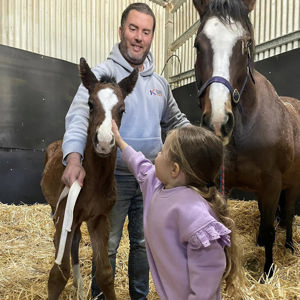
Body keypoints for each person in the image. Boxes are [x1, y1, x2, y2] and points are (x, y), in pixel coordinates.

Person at [61, 2, 190, 299]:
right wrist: (74, 158)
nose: (138, 37)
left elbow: (177, 121)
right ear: (121, 31)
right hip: (113, 176)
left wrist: (205, 139)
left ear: (152, 37)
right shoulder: (102, 74)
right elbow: (80, 114)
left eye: (146, 32)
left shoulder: (160, 84)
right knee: (106, 243)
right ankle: (99, 296)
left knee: (144, 243)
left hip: (152, 179)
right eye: (133, 29)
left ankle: (139, 296)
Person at [111, 121, 241, 300]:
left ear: (174, 169)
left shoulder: (195, 215)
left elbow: (206, 284)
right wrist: (118, 140)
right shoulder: (157, 186)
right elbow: (140, 165)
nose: (157, 154)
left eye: (162, 151)